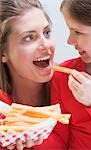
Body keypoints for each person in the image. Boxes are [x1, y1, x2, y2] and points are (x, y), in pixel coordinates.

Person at [0, 0, 56, 149]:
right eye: (29, 37)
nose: (46, 45)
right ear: (3, 53)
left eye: (46, 33)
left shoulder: (76, 87)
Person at [49, 0, 91, 149]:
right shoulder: (62, 77)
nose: (70, 41)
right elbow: (59, 140)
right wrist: (36, 137)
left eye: (78, 32)